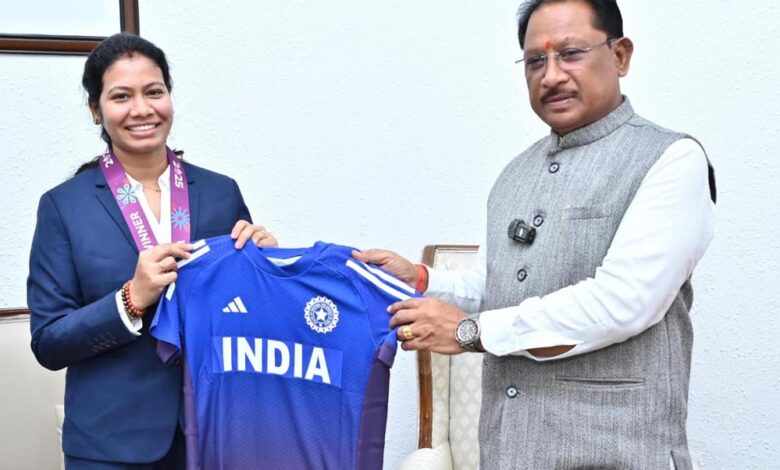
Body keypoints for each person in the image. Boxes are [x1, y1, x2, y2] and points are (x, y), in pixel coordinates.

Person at [353, 1, 716, 468]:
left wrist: (469, 332)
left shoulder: (671, 160)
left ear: (620, 55)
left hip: (618, 456)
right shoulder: (514, 175)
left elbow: (623, 302)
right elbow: (498, 285)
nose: (551, 76)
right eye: (535, 61)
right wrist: (422, 280)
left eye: (571, 53)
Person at [27, 33, 276, 469]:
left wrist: (265, 270)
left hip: (216, 432)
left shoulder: (221, 193)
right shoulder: (64, 207)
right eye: (121, 96)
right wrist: (129, 300)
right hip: (110, 447)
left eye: (154, 92)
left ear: (170, 98)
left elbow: (249, 316)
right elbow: (49, 343)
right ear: (96, 110)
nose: (142, 109)